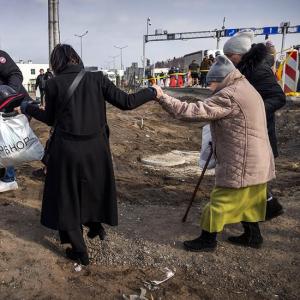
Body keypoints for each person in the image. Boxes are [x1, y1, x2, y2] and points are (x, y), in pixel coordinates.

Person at [19, 44, 156, 265]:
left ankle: (80, 251)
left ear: (56, 63)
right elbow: (127, 103)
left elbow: (50, 119)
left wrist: (27, 107)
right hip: (96, 149)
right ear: (76, 58)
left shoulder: (54, 84)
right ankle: (95, 226)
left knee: (67, 197)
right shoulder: (98, 78)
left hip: (67, 151)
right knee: (93, 187)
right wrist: (152, 92)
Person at [152, 55, 275, 251]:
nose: (210, 88)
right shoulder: (246, 87)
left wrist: (162, 97)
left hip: (242, 160)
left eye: (212, 83)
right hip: (257, 158)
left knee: (219, 201)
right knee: (250, 200)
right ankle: (253, 236)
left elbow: (190, 111)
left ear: (222, 79)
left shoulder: (230, 94)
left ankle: (207, 240)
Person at [223, 30, 286, 220]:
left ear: (240, 54)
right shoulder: (244, 68)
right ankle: (260, 219)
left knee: (250, 179)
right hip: (248, 130)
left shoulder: (257, 69)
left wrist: (253, 110)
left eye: (229, 56)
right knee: (252, 180)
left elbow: (278, 97)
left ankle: (265, 212)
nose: (227, 60)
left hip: (259, 130)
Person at [0, 49, 31, 193]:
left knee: (8, 140)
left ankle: (9, 178)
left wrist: (9, 98)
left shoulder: (0, 56)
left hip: (15, 104)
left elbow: (15, 74)